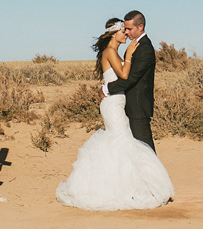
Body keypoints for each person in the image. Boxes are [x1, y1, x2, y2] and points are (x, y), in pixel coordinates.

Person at [55, 17, 174, 211]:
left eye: (127, 30)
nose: (125, 33)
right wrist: (129, 55)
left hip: (118, 103)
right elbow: (125, 75)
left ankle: (127, 186)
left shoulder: (114, 51)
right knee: (121, 141)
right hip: (113, 105)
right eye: (122, 31)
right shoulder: (111, 51)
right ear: (113, 34)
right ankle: (127, 188)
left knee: (119, 143)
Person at [103, 10, 157, 152]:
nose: (127, 32)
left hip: (138, 108)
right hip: (128, 106)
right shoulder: (134, 47)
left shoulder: (145, 48)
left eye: (129, 29)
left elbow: (132, 78)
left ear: (140, 27)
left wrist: (106, 89)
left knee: (146, 150)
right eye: (125, 29)